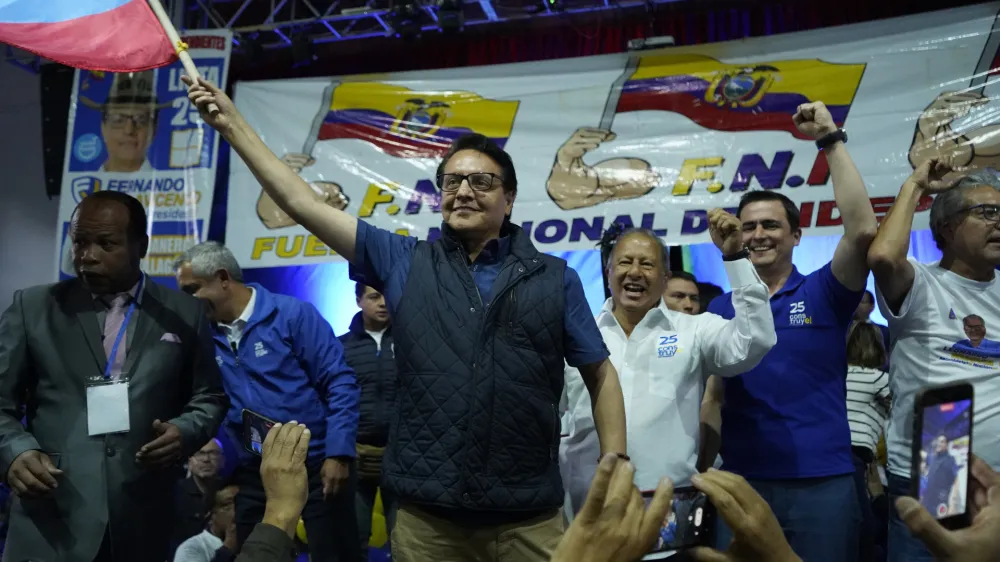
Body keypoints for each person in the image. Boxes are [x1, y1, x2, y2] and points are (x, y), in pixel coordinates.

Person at [185, 76, 627, 562]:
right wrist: (233, 126)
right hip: (425, 519)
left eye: (481, 181)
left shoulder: (555, 278)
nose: (463, 191)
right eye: (452, 181)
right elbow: (302, 202)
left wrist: (615, 464)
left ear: (510, 199)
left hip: (528, 519)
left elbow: (600, 373)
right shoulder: (404, 262)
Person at [0, 190, 228, 562]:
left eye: (106, 243)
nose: (87, 256)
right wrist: (14, 453)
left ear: (142, 246)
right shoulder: (32, 307)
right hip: (52, 517)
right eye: (79, 242)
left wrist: (184, 431)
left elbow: (210, 397)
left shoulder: (184, 313)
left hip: (143, 519)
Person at [706, 101, 878, 561]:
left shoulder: (826, 290)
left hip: (822, 482)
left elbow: (862, 231)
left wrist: (830, 140)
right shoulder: (721, 307)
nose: (758, 234)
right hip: (741, 481)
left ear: (797, 235)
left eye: (771, 225)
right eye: (748, 227)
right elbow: (714, 399)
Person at [561, 218, 775, 524]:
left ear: (665, 278)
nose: (634, 272)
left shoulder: (696, 330)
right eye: (625, 262)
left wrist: (735, 259)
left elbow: (756, 341)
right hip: (588, 514)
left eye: (647, 264)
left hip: (668, 513)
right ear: (608, 273)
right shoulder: (577, 337)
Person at [174, 241, 361, 561]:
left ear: (222, 278)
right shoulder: (201, 335)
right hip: (256, 469)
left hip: (316, 465)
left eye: (193, 289)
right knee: (255, 552)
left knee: (335, 555)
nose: (186, 301)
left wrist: (339, 452)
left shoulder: (292, 315)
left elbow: (340, 382)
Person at [866, 162, 1000, 562]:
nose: (999, 222)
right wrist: (915, 184)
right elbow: (883, 257)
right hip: (942, 465)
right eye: (987, 213)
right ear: (945, 228)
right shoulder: (922, 282)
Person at [338, 283, 398, 559]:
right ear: (359, 299)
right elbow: (331, 403)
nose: (383, 303)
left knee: (406, 542)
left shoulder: (414, 342)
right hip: (354, 457)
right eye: (374, 296)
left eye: (387, 295)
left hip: (402, 459)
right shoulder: (340, 347)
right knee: (352, 540)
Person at [845, 321, 891, 562]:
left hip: (834, 451)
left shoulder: (838, 375)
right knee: (868, 527)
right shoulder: (879, 379)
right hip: (858, 457)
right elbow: (903, 409)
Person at [80, 71, 167, 173]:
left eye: (140, 120)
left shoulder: (169, 187)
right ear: (103, 127)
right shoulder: (82, 186)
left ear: (154, 129)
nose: (129, 130)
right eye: (118, 120)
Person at [174, 438, 228, 555]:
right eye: (200, 453)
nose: (206, 459)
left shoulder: (230, 494)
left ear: (223, 460)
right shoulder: (175, 494)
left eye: (213, 453)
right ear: (190, 461)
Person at [174, 482, 240, 562]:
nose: (235, 510)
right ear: (210, 514)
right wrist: (228, 547)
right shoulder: (191, 549)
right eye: (227, 505)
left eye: (240, 503)